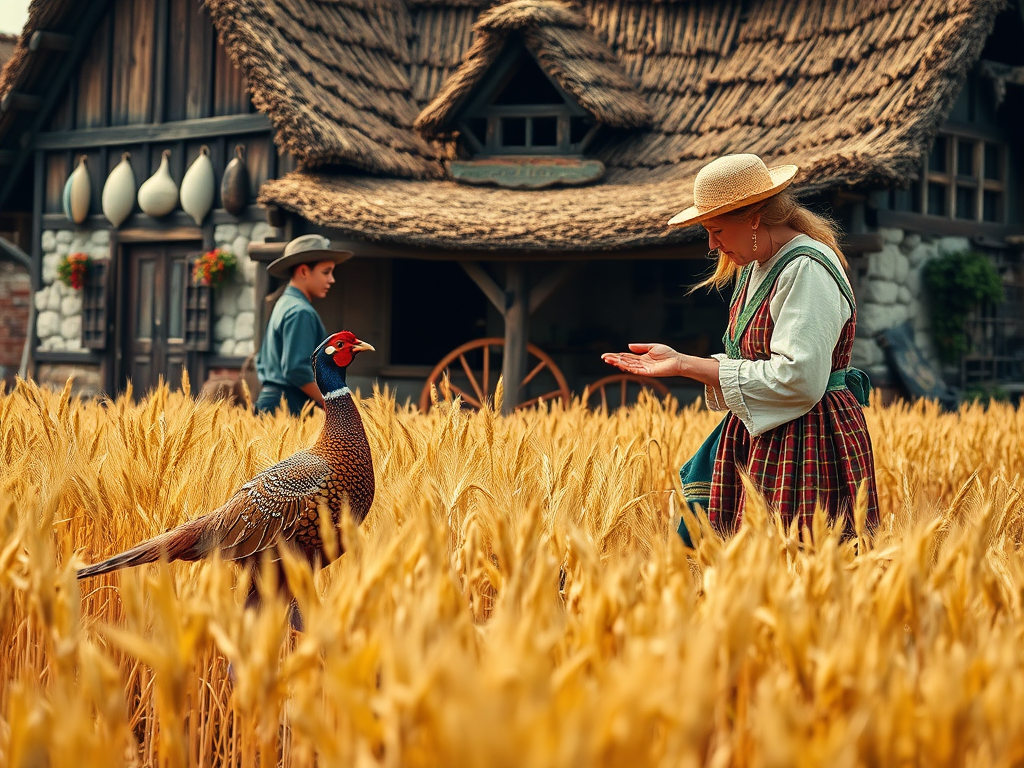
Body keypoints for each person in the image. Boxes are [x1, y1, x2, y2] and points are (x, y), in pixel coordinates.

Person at [602, 153, 878, 534]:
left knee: (799, 557)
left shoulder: (807, 268)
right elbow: (751, 361)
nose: (711, 244)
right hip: (764, 439)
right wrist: (682, 361)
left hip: (808, 444)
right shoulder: (756, 267)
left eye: (716, 230)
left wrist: (686, 365)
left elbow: (799, 379)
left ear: (753, 219)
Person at [254, 234, 352, 415]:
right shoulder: (300, 311)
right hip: (287, 405)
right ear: (304, 271)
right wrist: (334, 403)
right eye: (326, 272)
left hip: (274, 402)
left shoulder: (284, 304)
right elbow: (296, 369)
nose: (332, 279)